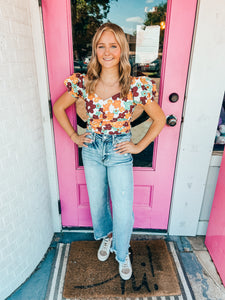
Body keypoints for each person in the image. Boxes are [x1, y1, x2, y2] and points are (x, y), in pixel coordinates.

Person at [53, 22, 166, 280]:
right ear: (95, 50)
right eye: (101, 46)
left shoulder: (135, 86)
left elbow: (159, 119)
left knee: (124, 209)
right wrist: (74, 136)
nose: (107, 52)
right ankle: (108, 236)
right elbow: (59, 108)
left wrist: (138, 145)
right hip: (92, 149)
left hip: (118, 151)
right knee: (97, 203)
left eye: (113, 46)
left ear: (121, 50)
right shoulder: (83, 83)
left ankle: (122, 251)